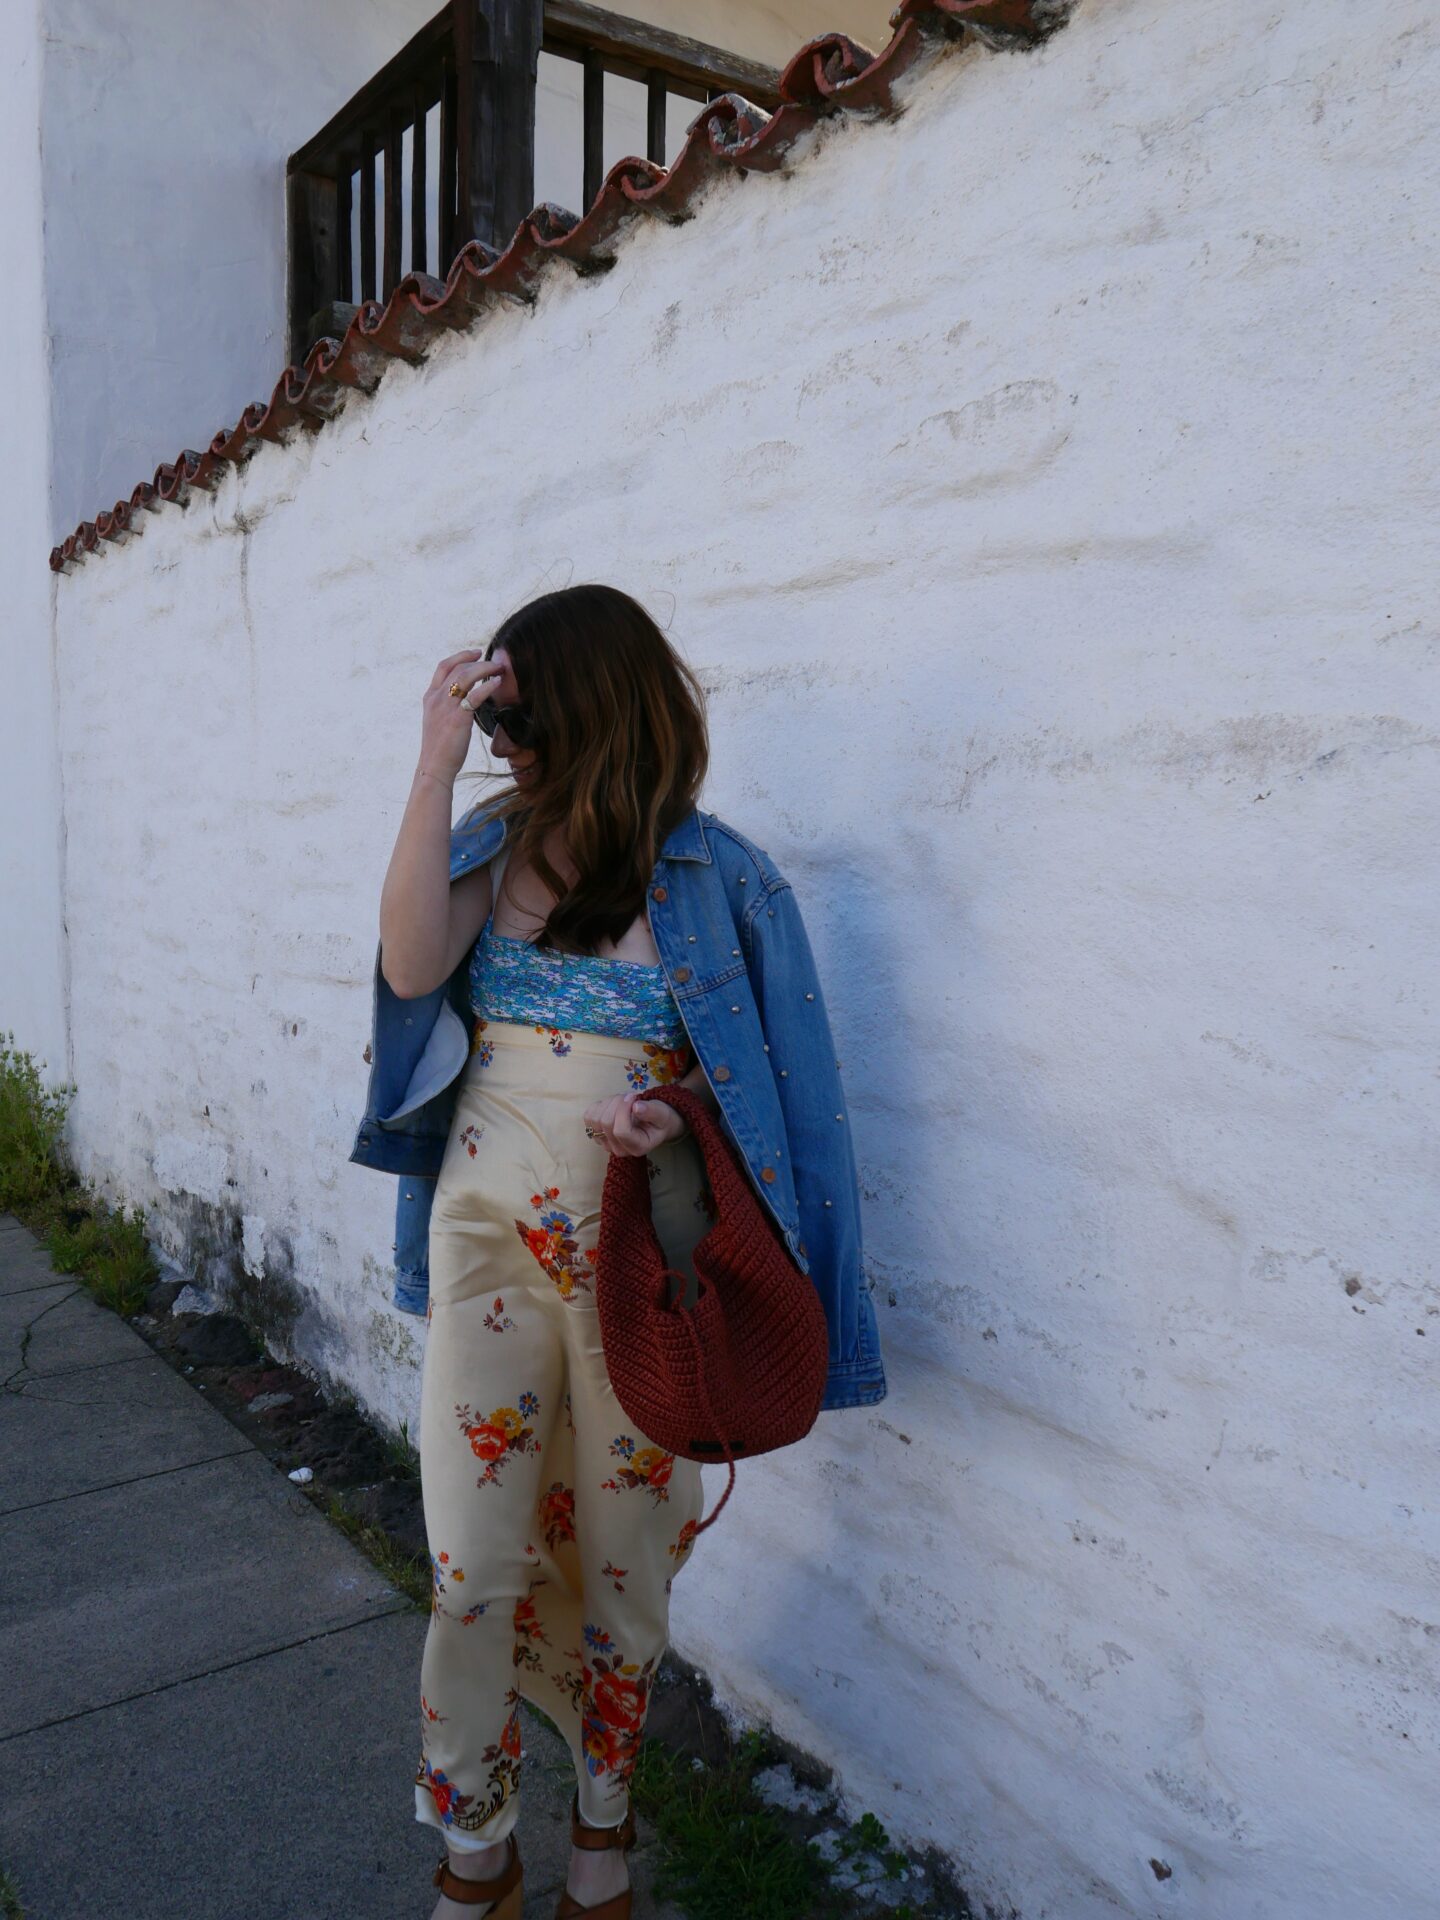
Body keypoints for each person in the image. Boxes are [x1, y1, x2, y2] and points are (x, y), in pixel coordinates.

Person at [354, 584, 887, 1919]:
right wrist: (428, 765)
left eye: (520, 719)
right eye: (494, 722)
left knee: (622, 1562)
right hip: (486, 1249)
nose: (506, 746)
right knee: (471, 1561)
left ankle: (601, 1836)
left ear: (592, 712)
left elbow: (796, 1110)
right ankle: (476, 1839)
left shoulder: (724, 882)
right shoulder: (486, 846)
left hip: (641, 1274)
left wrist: (676, 1121)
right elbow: (414, 969)